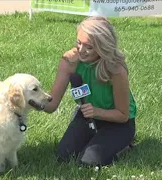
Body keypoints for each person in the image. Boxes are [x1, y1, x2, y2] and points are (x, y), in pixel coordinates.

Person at [44, 16, 137, 167]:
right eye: (78, 43)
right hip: (87, 115)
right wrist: (30, 98)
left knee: (89, 162)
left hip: (118, 122)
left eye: (89, 47)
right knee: (64, 156)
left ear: (103, 47)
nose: (81, 50)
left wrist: (96, 112)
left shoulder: (116, 70)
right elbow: (51, 104)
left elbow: (123, 115)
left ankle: (125, 146)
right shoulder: (70, 61)